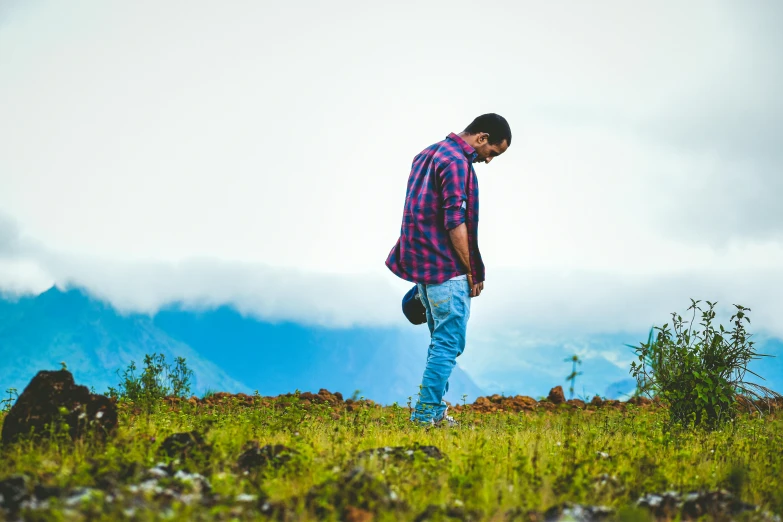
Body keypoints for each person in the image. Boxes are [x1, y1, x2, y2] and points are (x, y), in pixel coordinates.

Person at [385, 113, 511, 426]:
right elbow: (455, 221)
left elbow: (416, 213)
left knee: (444, 342)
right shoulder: (457, 163)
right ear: (482, 138)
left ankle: (434, 411)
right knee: (448, 344)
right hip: (447, 269)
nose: (489, 159)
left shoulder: (427, 154)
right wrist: (472, 270)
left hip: (425, 268)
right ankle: (427, 415)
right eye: (492, 152)